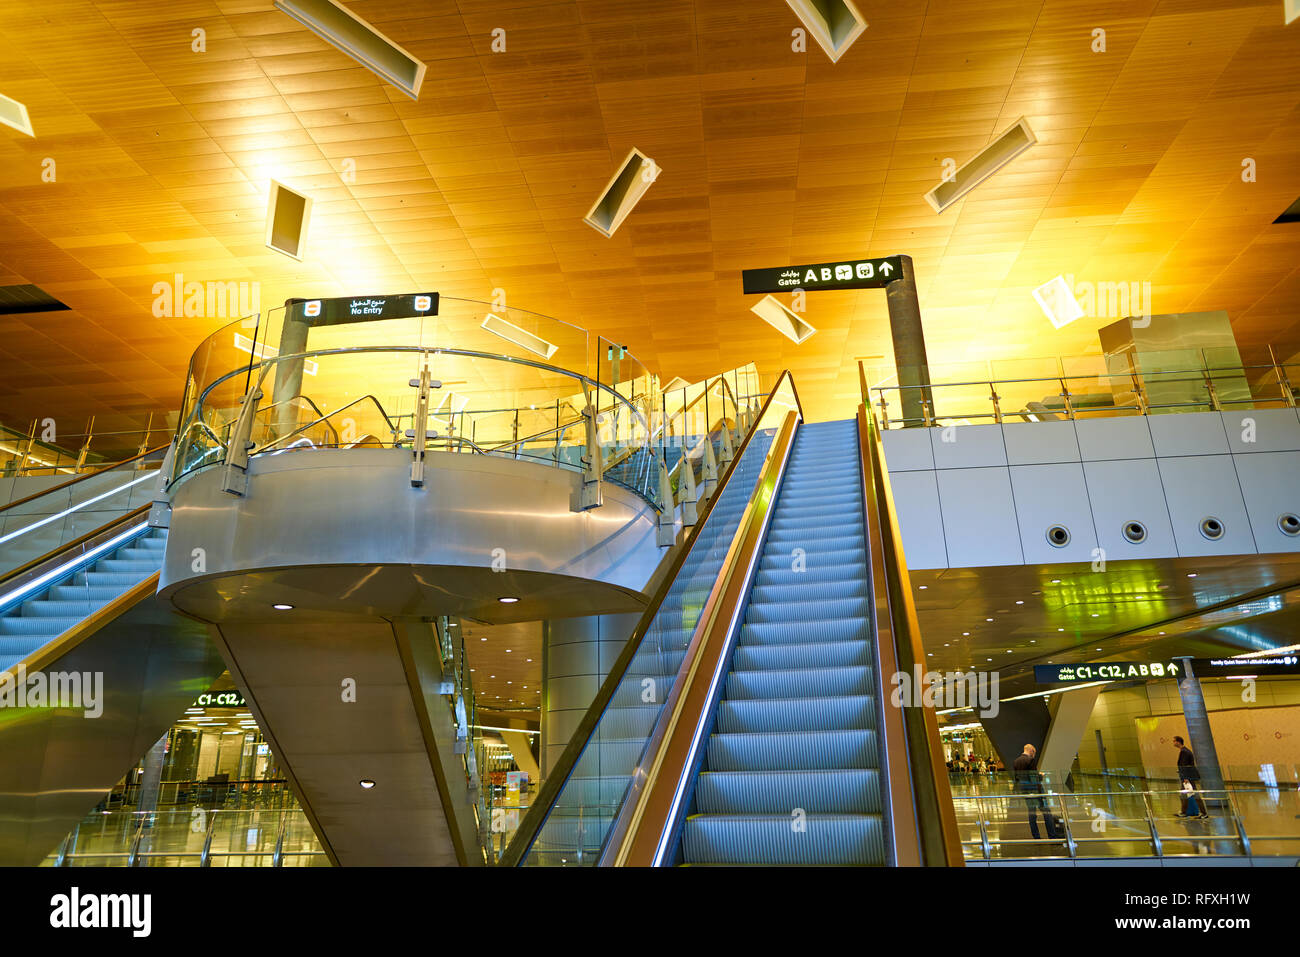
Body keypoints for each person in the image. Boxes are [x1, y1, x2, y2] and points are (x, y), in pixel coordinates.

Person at [1012, 744, 1064, 843]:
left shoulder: (1016, 761)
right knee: (1047, 812)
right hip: (1036, 790)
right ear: (1031, 751)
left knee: (1032, 813)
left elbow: (1017, 778)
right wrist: (1040, 776)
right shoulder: (1030, 760)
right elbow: (1033, 778)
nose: (1034, 755)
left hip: (1025, 790)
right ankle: (1052, 836)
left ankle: (1036, 837)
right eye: (1034, 753)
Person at [1174, 736, 1207, 818]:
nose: (1173, 743)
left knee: (1194, 794)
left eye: (1174, 741)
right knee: (1184, 794)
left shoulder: (1184, 752)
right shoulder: (1184, 751)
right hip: (1187, 777)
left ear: (1178, 742)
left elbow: (1185, 766)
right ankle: (1183, 812)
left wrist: (1185, 777)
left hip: (1188, 777)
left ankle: (1204, 813)